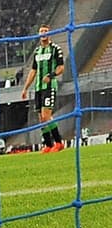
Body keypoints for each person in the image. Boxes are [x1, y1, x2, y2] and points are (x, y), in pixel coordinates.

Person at [20, 24, 66, 153]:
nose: (43, 33)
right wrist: (25, 88)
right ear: (39, 34)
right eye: (41, 31)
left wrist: (51, 75)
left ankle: (58, 142)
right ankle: (48, 144)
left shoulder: (56, 49)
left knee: (46, 116)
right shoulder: (37, 51)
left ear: (49, 33)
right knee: (41, 118)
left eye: (46, 31)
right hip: (38, 88)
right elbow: (33, 70)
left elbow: (61, 68)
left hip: (49, 86)